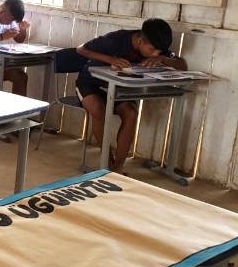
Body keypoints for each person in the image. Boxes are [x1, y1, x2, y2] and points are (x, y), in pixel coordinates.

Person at [76, 18, 187, 174]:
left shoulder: (157, 48)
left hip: (118, 87)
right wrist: (110, 59)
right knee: (98, 110)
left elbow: (182, 65)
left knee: (131, 113)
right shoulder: (116, 40)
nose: (154, 53)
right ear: (140, 41)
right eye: (152, 50)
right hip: (90, 82)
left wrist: (163, 58)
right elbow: (81, 49)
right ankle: (106, 163)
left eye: (158, 51)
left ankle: (118, 168)